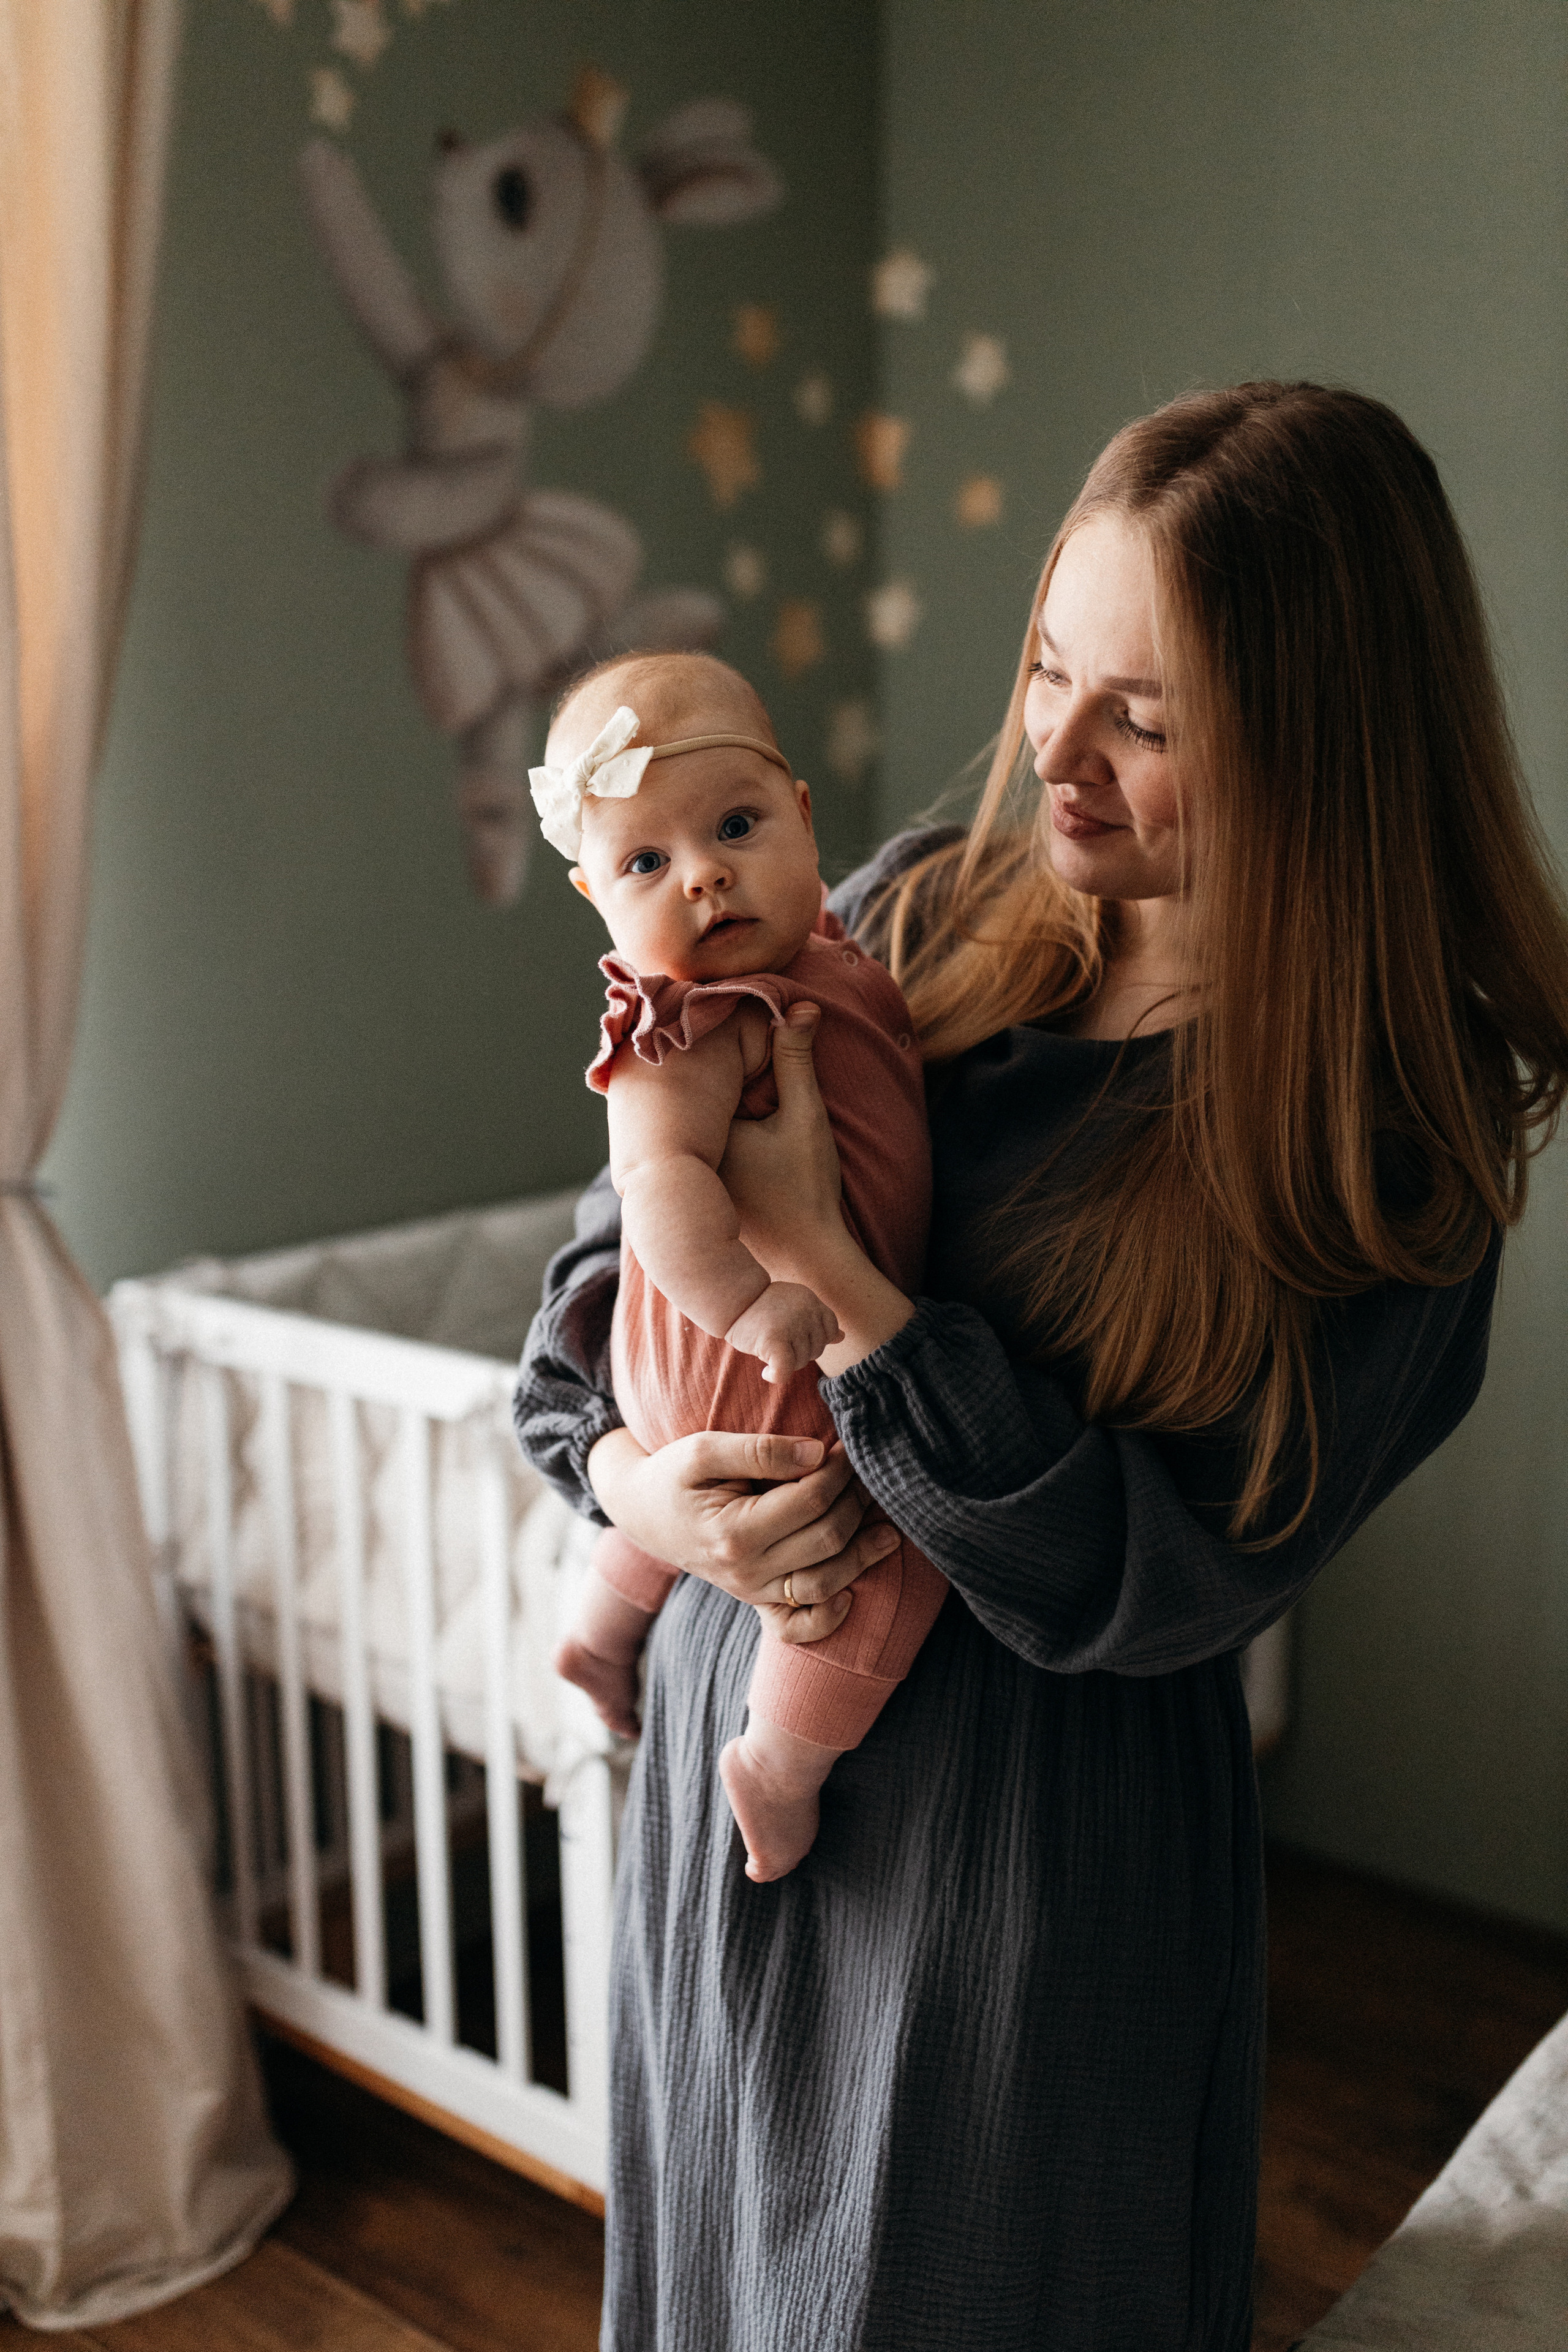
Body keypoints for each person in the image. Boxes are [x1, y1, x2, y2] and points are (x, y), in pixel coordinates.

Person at [515, 382, 1568, 2351]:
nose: (1053, 759)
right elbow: (607, 1252)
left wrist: (848, 1279)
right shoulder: (923, 905)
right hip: (726, 1783)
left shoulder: (1388, 1144)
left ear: (1323, 753)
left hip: (1017, 1875)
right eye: (1043, 670)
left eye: (1145, 723)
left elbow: (1170, 1576)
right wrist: (625, 1485)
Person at [532, 652, 946, 1882]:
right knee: (886, 1548)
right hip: (754, 1356)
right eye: (646, 863)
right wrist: (749, 1299)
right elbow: (655, 1187)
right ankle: (782, 1757)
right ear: (594, 895)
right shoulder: (691, 1018)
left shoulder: (820, 958)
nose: (703, 874)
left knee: (677, 1500)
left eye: (733, 827)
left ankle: (599, 1633)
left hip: (719, 1375)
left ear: (804, 819)